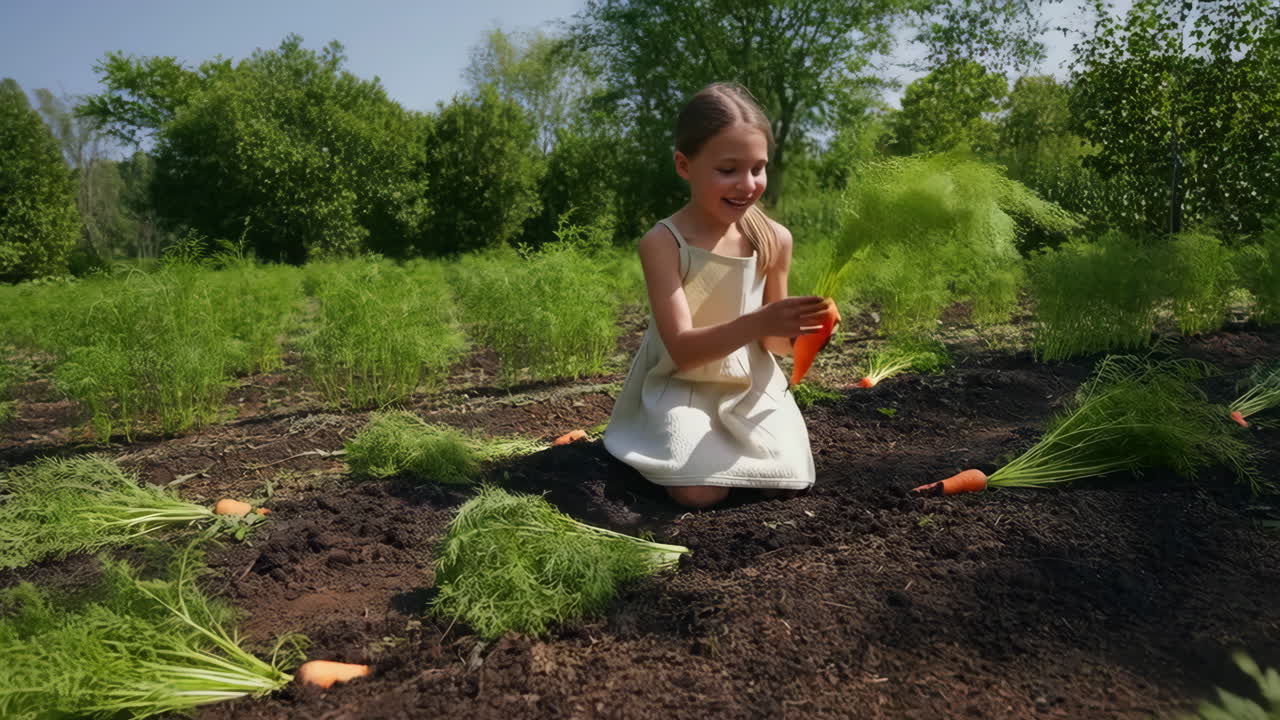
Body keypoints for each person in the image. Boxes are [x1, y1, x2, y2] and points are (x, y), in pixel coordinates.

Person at [603, 82, 832, 510]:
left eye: (758, 168)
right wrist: (760, 321)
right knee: (698, 491)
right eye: (728, 170)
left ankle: (720, 457)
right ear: (684, 165)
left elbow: (775, 346)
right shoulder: (664, 242)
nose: (747, 185)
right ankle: (651, 442)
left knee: (784, 483)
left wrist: (805, 333)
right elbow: (684, 352)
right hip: (682, 385)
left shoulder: (773, 239)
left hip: (751, 385)